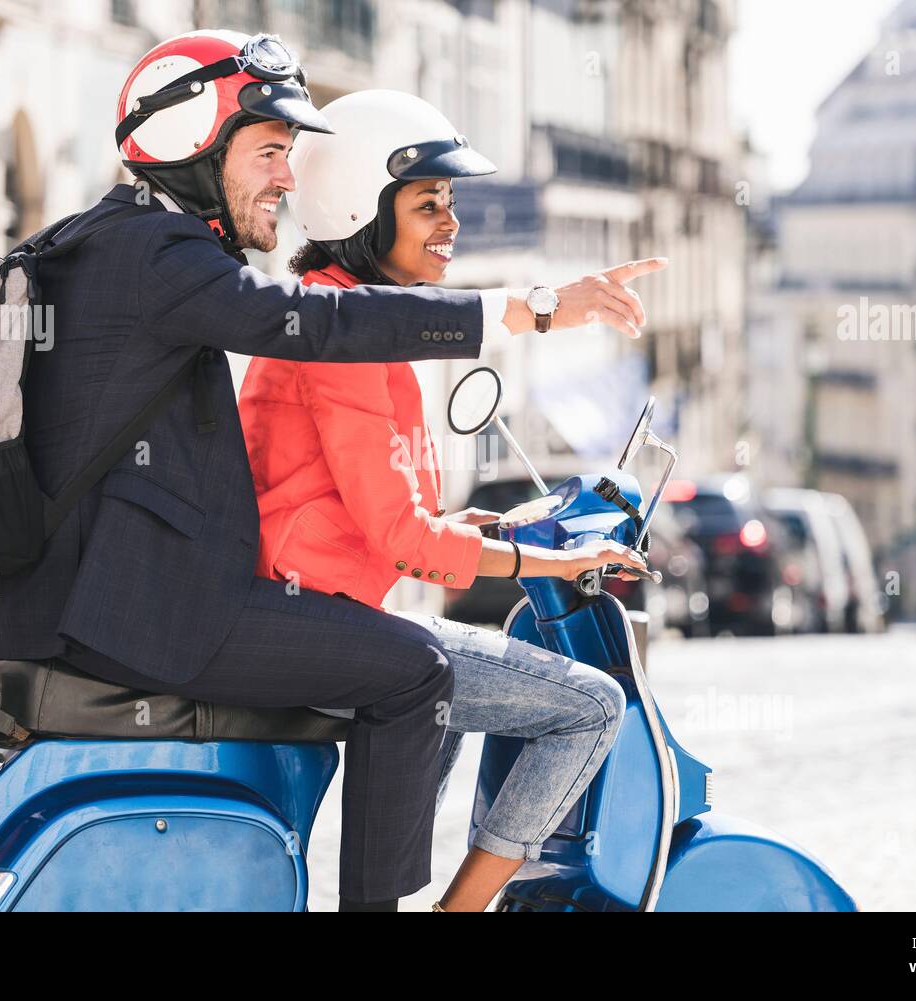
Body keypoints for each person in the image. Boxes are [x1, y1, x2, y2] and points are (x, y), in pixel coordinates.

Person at [0, 29, 663, 912]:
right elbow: (314, 320)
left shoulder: (102, 240)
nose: (288, 179)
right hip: (148, 613)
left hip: (94, 603)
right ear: (193, 144)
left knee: (401, 660)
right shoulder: (158, 256)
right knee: (415, 671)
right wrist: (532, 309)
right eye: (270, 152)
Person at [240, 90, 657, 911]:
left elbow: (384, 517)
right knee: (591, 707)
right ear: (363, 206)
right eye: (427, 203)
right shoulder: (346, 336)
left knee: (464, 693)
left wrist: (492, 526)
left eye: (453, 203)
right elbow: (406, 542)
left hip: (322, 614)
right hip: (315, 626)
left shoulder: (354, 322)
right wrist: (555, 556)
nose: (450, 221)